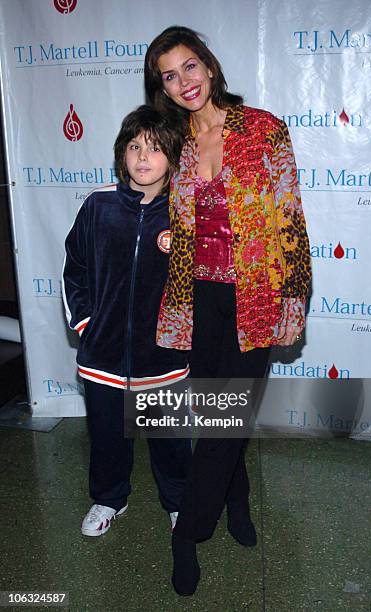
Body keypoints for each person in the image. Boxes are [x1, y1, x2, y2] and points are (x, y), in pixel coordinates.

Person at [145, 26, 312, 595]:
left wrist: (295, 296)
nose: (183, 82)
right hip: (200, 300)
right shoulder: (173, 143)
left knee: (221, 425)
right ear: (163, 88)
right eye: (170, 75)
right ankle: (236, 500)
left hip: (257, 296)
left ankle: (187, 532)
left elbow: (288, 216)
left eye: (189, 67)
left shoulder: (262, 128)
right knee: (221, 415)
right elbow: (147, 192)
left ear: (210, 68)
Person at [62, 105, 192, 537]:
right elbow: (74, 268)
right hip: (103, 359)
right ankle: (108, 499)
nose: (142, 157)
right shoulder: (99, 206)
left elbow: (200, 283)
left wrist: (185, 336)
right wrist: (86, 325)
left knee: (171, 443)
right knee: (106, 439)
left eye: (155, 149)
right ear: (122, 154)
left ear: (173, 158)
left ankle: (178, 503)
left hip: (163, 361)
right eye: (134, 146)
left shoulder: (184, 214)